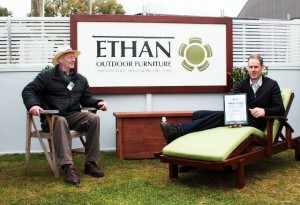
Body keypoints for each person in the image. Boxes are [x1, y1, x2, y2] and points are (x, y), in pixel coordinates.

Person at [22, 44, 108, 185]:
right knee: (61, 120)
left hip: (72, 116)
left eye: (74, 57)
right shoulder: (46, 77)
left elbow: (86, 98)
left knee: (94, 118)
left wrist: (98, 102)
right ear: (60, 59)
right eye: (70, 57)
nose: (73, 59)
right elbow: (28, 91)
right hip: (52, 119)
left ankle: (91, 163)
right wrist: (33, 105)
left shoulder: (80, 79)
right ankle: (68, 168)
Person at [160, 54, 285, 144]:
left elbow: (280, 109)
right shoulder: (241, 84)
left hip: (257, 123)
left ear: (262, 67)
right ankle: (186, 150)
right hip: (240, 118)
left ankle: (178, 130)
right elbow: (233, 104)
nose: (253, 70)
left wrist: (264, 111)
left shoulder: (272, 85)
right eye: (250, 67)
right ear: (247, 67)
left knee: (221, 116)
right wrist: (234, 117)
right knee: (198, 114)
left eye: (256, 67)